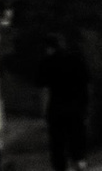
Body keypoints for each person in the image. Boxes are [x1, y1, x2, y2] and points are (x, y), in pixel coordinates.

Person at [42, 33, 91, 171]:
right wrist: (86, 105)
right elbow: (87, 84)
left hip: (56, 109)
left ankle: (61, 167)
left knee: (58, 143)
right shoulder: (77, 59)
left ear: (49, 48)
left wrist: (44, 111)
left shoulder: (48, 62)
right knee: (77, 137)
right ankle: (79, 161)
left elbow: (44, 89)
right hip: (76, 108)